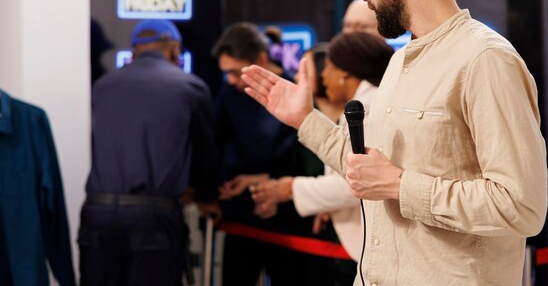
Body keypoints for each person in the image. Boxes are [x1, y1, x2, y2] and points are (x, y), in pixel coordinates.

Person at [241, 0, 548, 286]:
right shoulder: (402, 60)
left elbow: (521, 206)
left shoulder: (485, 60)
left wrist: (402, 186)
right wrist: (306, 120)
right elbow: (368, 167)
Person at [78, 19, 220, 286]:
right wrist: (206, 196)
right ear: (175, 50)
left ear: (134, 52)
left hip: (97, 216)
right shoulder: (190, 87)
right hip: (154, 218)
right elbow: (205, 155)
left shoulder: (103, 86)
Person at [251, 32, 393, 285]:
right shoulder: (362, 105)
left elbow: (358, 181)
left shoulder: (367, 108)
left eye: (327, 67)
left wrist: (290, 189)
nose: (324, 76)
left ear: (345, 72)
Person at [212, 22, 309, 286]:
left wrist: (268, 180)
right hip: (242, 218)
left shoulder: (296, 93)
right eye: (226, 74)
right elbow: (217, 142)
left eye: (235, 72)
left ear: (261, 60)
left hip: (287, 219)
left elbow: (305, 156)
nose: (230, 80)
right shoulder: (230, 94)